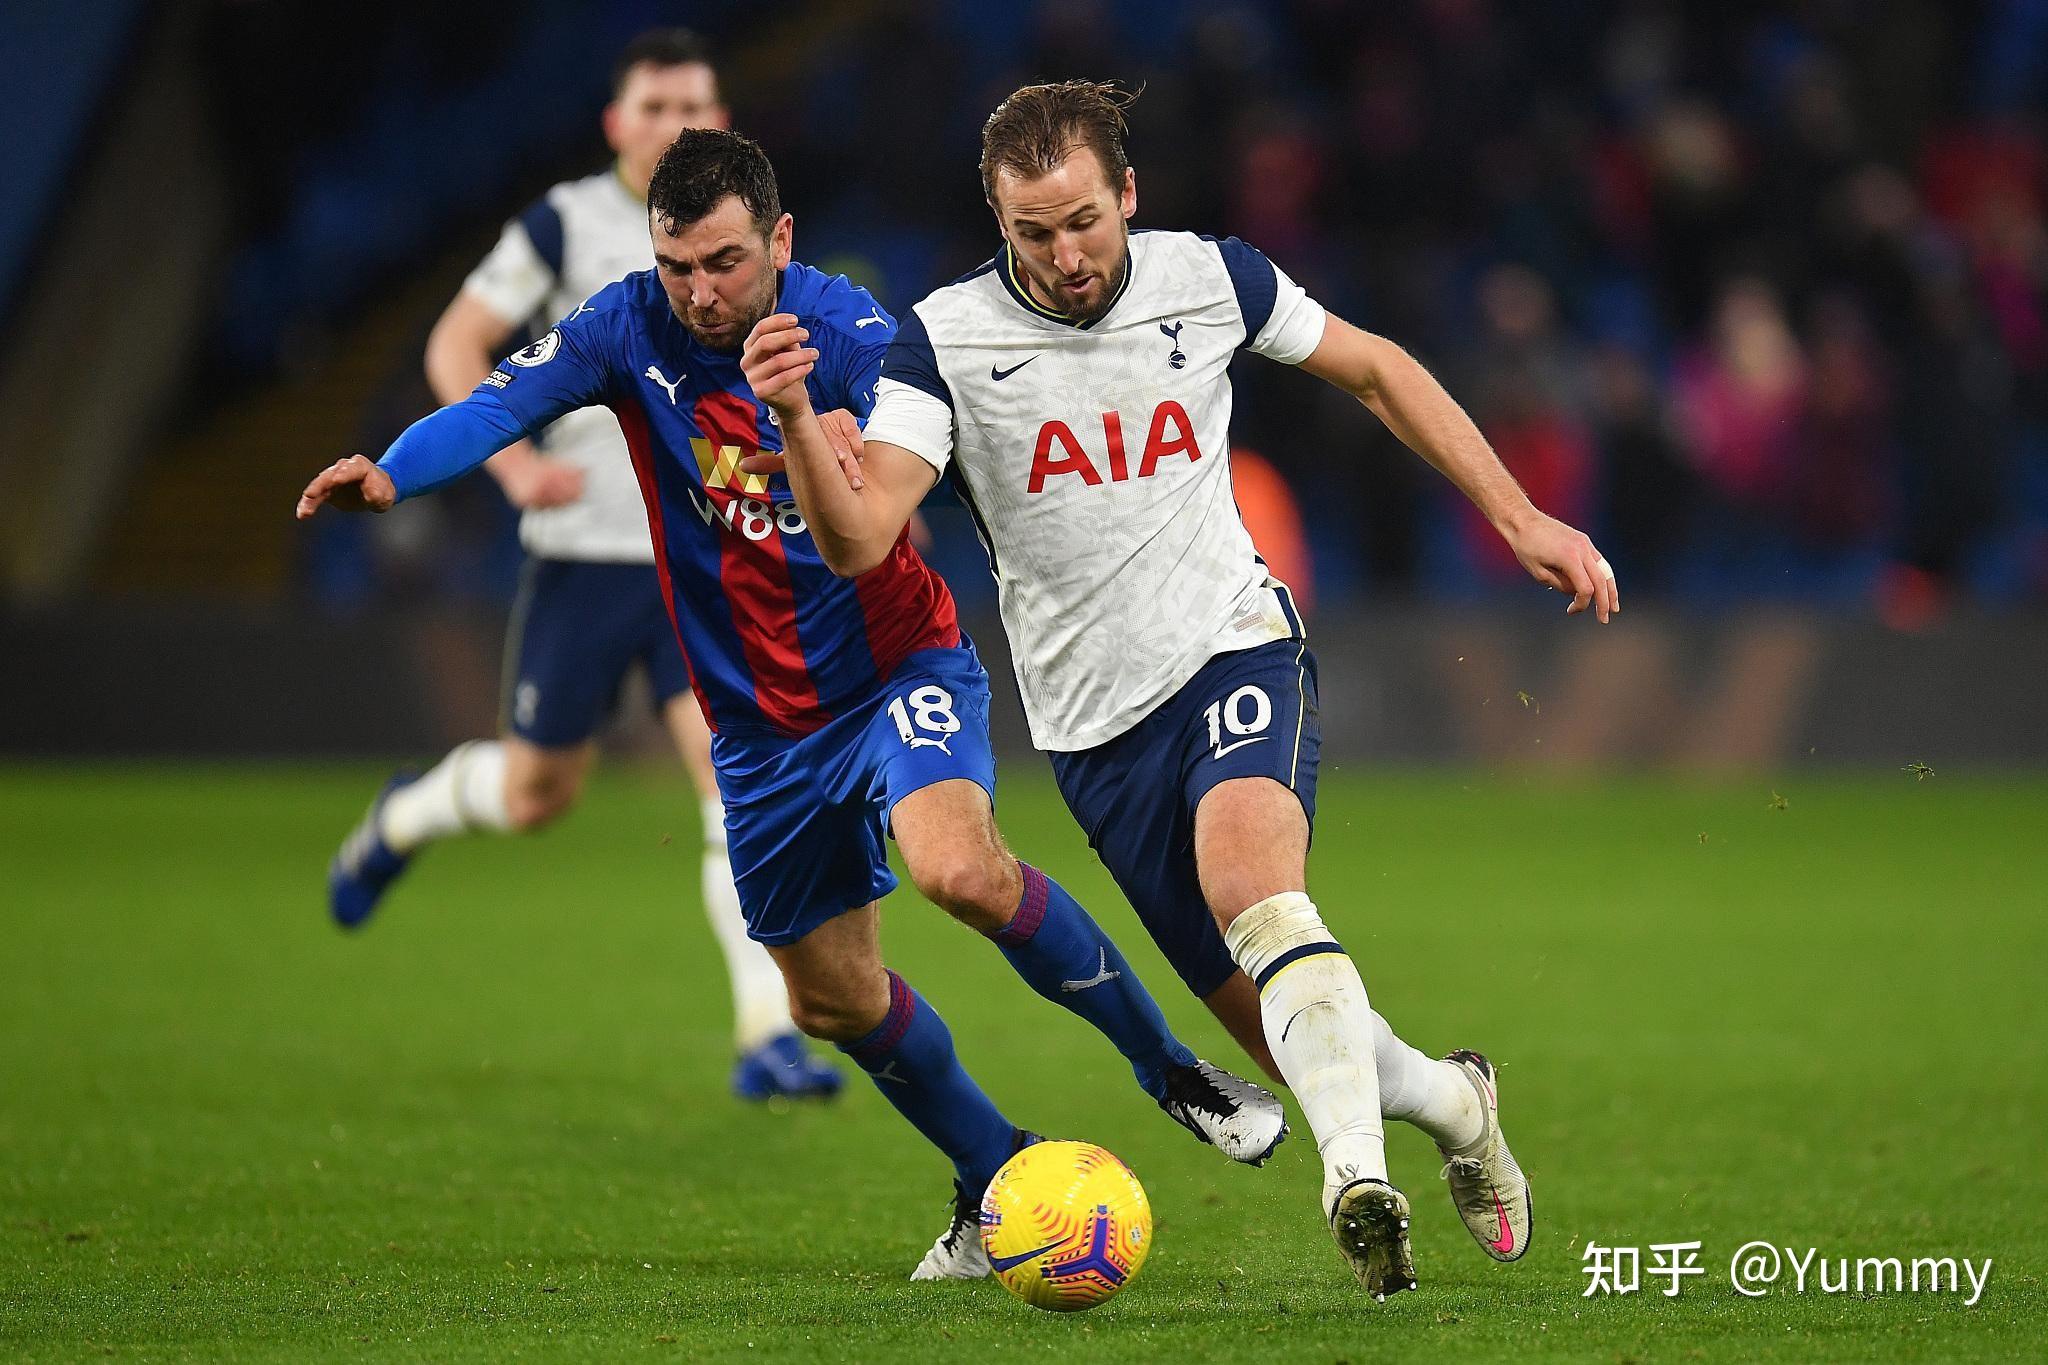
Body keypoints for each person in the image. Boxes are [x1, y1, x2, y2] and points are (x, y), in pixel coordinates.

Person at [297, 127, 1287, 1280]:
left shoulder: (854, 328)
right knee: (830, 1000)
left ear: (777, 240)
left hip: (894, 672)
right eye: (678, 267)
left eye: (722, 263)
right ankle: (988, 1173)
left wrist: (815, 429)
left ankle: (1168, 1067)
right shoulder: (627, 325)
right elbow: (496, 407)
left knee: (958, 870)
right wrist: (391, 469)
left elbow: (898, 476)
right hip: (758, 729)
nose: (700, 293)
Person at [743, 82, 1621, 1298]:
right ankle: (1453, 1102)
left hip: (1231, 645)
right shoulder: (938, 341)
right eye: (1031, 232)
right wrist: (791, 413)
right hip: (1093, 736)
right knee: (1284, 1023)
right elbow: (856, 536)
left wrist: (1515, 514)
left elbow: (1373, 370)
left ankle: (1353, 1180)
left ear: (1128, 196)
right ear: (995, 219)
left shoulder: (1210, 279)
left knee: (1254, 890)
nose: (1062, 256)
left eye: (1083, 222)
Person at [320, 31, 841, 1102]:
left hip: (705, 562)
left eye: (693, 103)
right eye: (652, 105)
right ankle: (404, 815)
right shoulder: (563, 225)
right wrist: (510, 474)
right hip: (584, 556)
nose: (672, 121)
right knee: (537, 791)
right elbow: (458, 347)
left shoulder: (740, 235)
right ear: (615, 122)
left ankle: (764, 1033)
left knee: (728, 785)